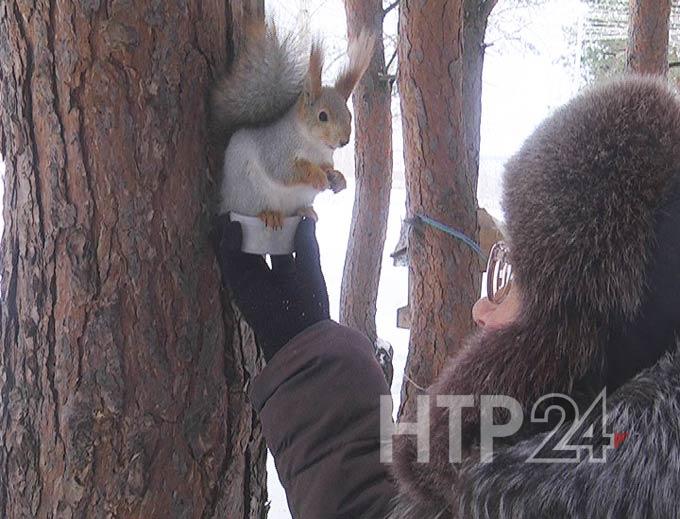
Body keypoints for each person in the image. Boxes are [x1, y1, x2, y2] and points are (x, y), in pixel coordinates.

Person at [215, 75, 680, 518]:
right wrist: (310, 343)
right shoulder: (594, 468)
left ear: (580, 334)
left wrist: (306, 348)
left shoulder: (538, 489)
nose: (482, 307)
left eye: (514, 275)